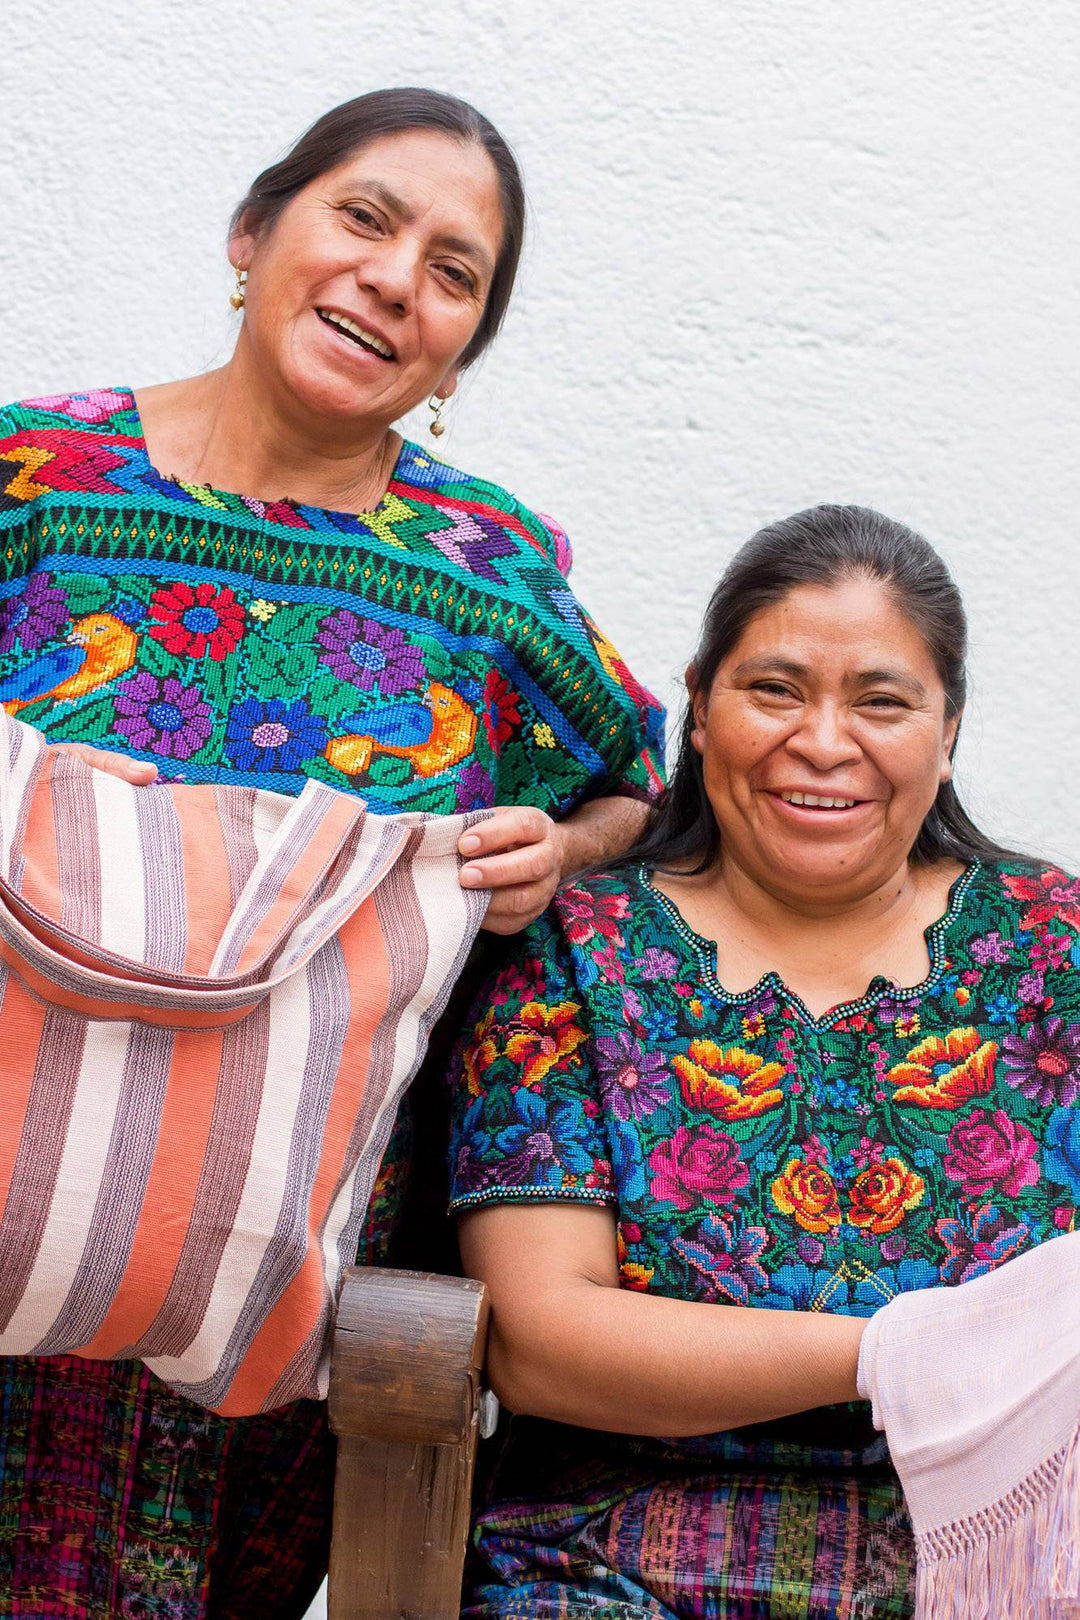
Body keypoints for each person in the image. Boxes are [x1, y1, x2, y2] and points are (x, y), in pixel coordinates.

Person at [0, 88, 664, 1618]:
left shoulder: (490, 577)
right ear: (252, 233)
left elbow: (637, 787)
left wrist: (556, 851)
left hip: (254, 1249)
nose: (395, 280)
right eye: (364, 217)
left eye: (454, 272)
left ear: (459, 354)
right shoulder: (36, 481)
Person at [450, 504, 1080, 1619]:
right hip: (611, 1565)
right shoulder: (575, 953)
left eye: (882, 701)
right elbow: (542, 1341)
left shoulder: (1052, 948)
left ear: (948, 731)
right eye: (776, 690)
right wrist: (909, 1356)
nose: (825, 743)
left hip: (1014, 1560)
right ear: (700, 709)